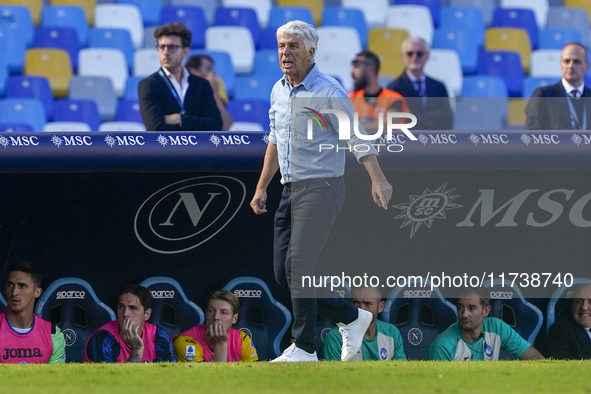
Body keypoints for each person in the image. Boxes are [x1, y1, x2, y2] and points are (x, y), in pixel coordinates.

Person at [250, 20, 393, 363]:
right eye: (282, 46)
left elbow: (356, 136)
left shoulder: (329, 91)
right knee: (284, 273)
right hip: (289, 188)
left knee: (300, 266)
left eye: (293, 46)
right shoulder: (277, 90)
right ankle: (352, 316)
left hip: (323, 187)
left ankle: (305, 347)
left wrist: (378, 178)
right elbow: (274, 139)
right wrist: (261, 187)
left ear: (311, 51)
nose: (286, 52)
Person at [138, 22, 222, 131]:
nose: (166, 52)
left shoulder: (202, 85)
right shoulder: (148, 85)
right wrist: (196, 122)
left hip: (197, 147)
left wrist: (180, 119)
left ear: (185, 52)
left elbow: (215, 125)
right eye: (161, 47)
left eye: (172, 47)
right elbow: (156, 127)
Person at [429, 287, 544, 361]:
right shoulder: (442, 345)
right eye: (460, 308)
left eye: (472, 308)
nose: (464, 315)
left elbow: (538, 360)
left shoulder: (497, 328)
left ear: (486, 311)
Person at [83, 284, 175, 363]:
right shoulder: (104, 338)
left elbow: (171, 376)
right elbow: (110, 381)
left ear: (146, 314)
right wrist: (137, 349)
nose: (125, 314)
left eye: (133, 308)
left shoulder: (158, 336)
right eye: (121, 307)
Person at [0, 260, 65, 364]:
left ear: (37, 292)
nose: (14, 292)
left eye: (22, 286)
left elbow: (56, 378)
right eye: (10, 285)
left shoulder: (53, 334)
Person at [323, 287, 406, 361]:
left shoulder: (392, 333)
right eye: (355, 303)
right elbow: (336, 376)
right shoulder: (335, 337)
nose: (361, 309)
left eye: (367, 304)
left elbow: (401, 373)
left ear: (380, 307)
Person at [386, 37, 453, 130]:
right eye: (410, 53)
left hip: (435, 141)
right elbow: (400, 122)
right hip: (407, 142)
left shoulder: (439, 86)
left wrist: (416, 119)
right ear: (403, 56)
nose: (414, 57)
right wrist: (434, 115)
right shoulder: (394, 87)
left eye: (419, 53)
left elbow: (447, 120)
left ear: (427, 56)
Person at [172, 290, 257, 362]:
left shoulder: (242, 340)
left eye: (223, 312)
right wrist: (220, 343)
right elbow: (211, 379)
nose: (216, 317)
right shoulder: (186, 341)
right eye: (211, 311)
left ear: (235, 318)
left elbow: (253, 376)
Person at [525, 42, 591, 130]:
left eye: (577, 62)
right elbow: (532, 133)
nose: (571, 66)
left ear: (587, 67)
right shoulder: (543, 95)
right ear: (561, 65)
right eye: (567, 61)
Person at [349, 50, 408, 132]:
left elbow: (388, 125)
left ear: (370, 69)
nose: (351, 72)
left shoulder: (394, 99)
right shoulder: (349, 99)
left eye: (357, 66)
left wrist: (351, 126)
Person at [186, 54, 234, 131]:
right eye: (209, 69)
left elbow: (227, 126)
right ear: (194, 72)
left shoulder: (214, 92)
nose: (214, 74)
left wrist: (214, 92)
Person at [546, 283, 591, 359]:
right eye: (579, 301)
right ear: (572, 306)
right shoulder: (560, 330)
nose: (584, 307)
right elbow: (561, 369)